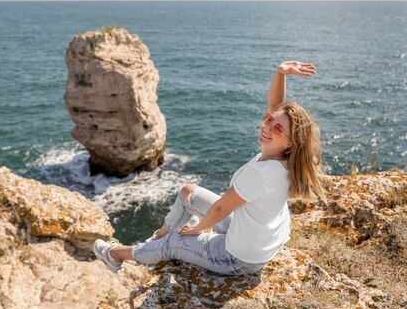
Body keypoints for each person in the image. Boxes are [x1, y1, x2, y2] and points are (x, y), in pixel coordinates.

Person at [93, 60, 328, 276]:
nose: (267, 127)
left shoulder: (260, 173)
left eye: (277, 129)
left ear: (290, 142)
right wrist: (280, 73)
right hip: (252, 236)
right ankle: (157, 236)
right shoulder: (284, 157)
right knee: (188, 192)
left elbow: (221, 210)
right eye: (268, 120)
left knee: (174, 242)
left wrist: (198, 229)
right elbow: (278, 109)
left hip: (239, 258)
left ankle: (115, 255)